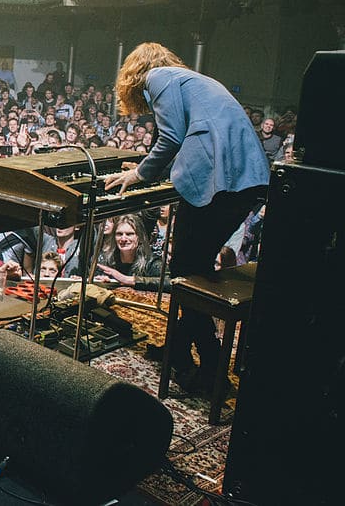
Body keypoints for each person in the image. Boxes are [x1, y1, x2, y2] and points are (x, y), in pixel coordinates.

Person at [105, 42, 268, 395]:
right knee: (194, 268)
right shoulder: (193, 79)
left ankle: (211, 368)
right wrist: (152, 168)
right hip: (244, 181)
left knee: (183, 271)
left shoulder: (159, 77)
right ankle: (178, 347)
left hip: (219, 182)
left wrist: (139, 175)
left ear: (136, 71)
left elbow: (172, 138)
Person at [95, 213, 162, 288]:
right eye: (119, 234)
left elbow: (169, 283)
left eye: (129, 234)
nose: (123, 239)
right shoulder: (105, 260)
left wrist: (127, 280)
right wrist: (103, 282)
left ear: (139, 237)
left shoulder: (152, 262)